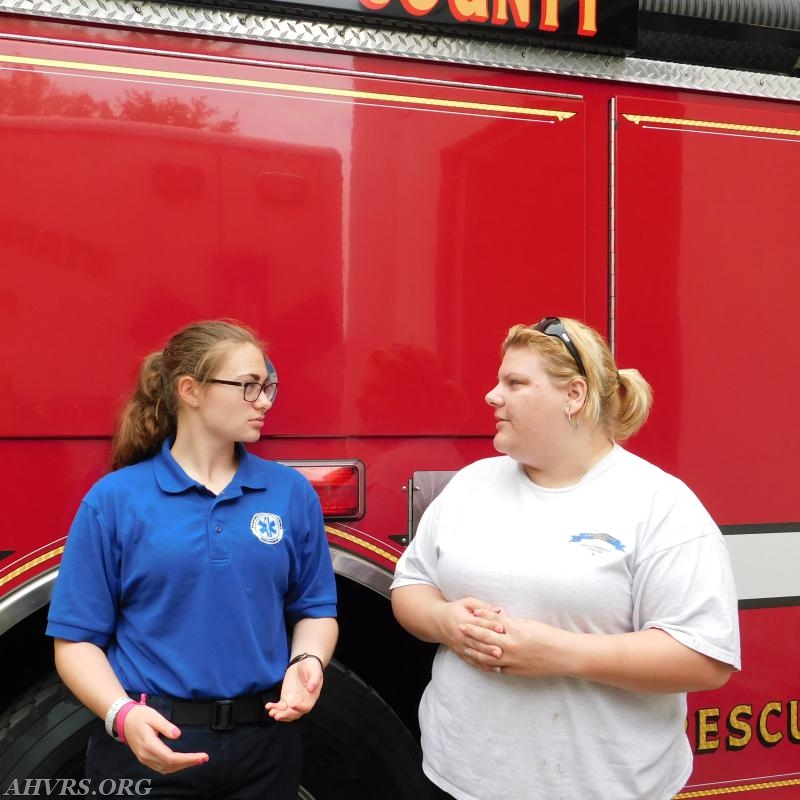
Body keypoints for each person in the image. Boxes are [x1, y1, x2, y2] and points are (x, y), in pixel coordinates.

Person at [391, 317, 740, 800]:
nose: (492, 396)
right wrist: (442, 619)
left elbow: (704, 659)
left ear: (574, 396)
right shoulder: (472, 484)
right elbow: (411, 584)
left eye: (514, 383)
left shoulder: (659, 503)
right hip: (457, 778)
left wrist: (560, 654)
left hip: (603, 787)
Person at [46, 320, 338, 799]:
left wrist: (309, 659)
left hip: (266, 746)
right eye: (248, 386)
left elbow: (314, 609)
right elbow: (75, 641)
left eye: (268, 387)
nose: (263, 401)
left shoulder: (290, 494)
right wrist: (122, 714)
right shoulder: (115, 500)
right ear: (190, 390)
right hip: (151, 742)